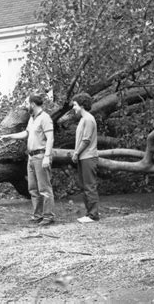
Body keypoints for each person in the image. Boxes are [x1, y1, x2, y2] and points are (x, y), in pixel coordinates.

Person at [0, 94, 55, 226]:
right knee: (33, 189)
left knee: (44, 188)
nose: (25, 106)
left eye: (26, 103)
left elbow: (50, 138)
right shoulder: (32, 118)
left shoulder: (45, 118)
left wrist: (47, 156)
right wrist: (9, 136)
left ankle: (48, 216)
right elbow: (26, 133)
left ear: (33, 104)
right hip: (31, 157)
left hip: (41, 156)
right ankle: (37, 216)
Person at [71, 92, 99, 223]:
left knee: (89, 186)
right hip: (83, 157)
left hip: (88, 157)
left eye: (75, 105)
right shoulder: (83, 119)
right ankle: (89, 214)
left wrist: (76, 153)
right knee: (84, 186)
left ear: (82, 105)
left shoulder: (88, 119)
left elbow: (86, 140)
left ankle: (93, 215)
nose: (73, 108)